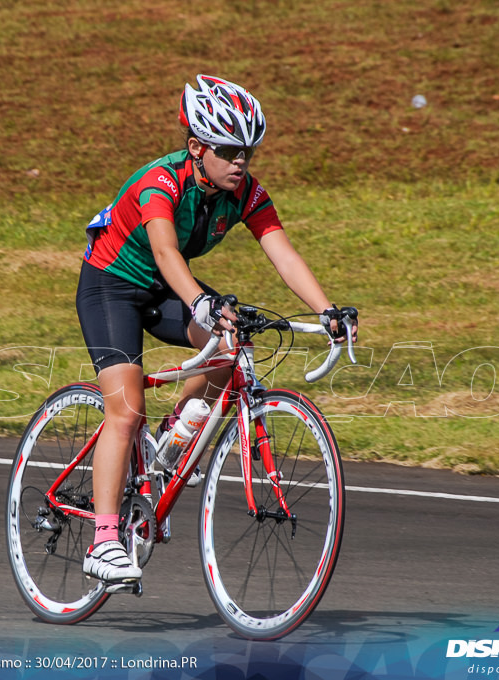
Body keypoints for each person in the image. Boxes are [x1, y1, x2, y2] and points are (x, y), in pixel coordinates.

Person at [75, 74, 358, 584]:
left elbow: (281, 251)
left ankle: (176, 432)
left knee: (230, 343)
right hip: (111, 285)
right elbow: (163, 251)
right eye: (228, 151)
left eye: (247, 151)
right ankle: (102, 541)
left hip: (166, 286)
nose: (240, 162)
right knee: (126, 405)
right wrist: (201, 300)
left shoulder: (244, 192)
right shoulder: (160, 183)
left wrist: (326, 310)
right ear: (195, 147)